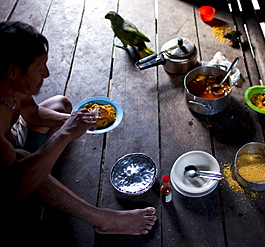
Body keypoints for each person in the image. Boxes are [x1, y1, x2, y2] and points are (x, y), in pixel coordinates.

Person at [0, 21, 156, 240]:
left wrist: (77, 121)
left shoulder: (9, 84)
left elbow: (33, 114)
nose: (46, 73)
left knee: (60, 104)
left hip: (16, 140)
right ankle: (104, 219)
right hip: (11, 185)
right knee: (23, 159)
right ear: (14, 72)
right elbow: (13, 188)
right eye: (39, 67)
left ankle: (46, 177)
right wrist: (66, 133)